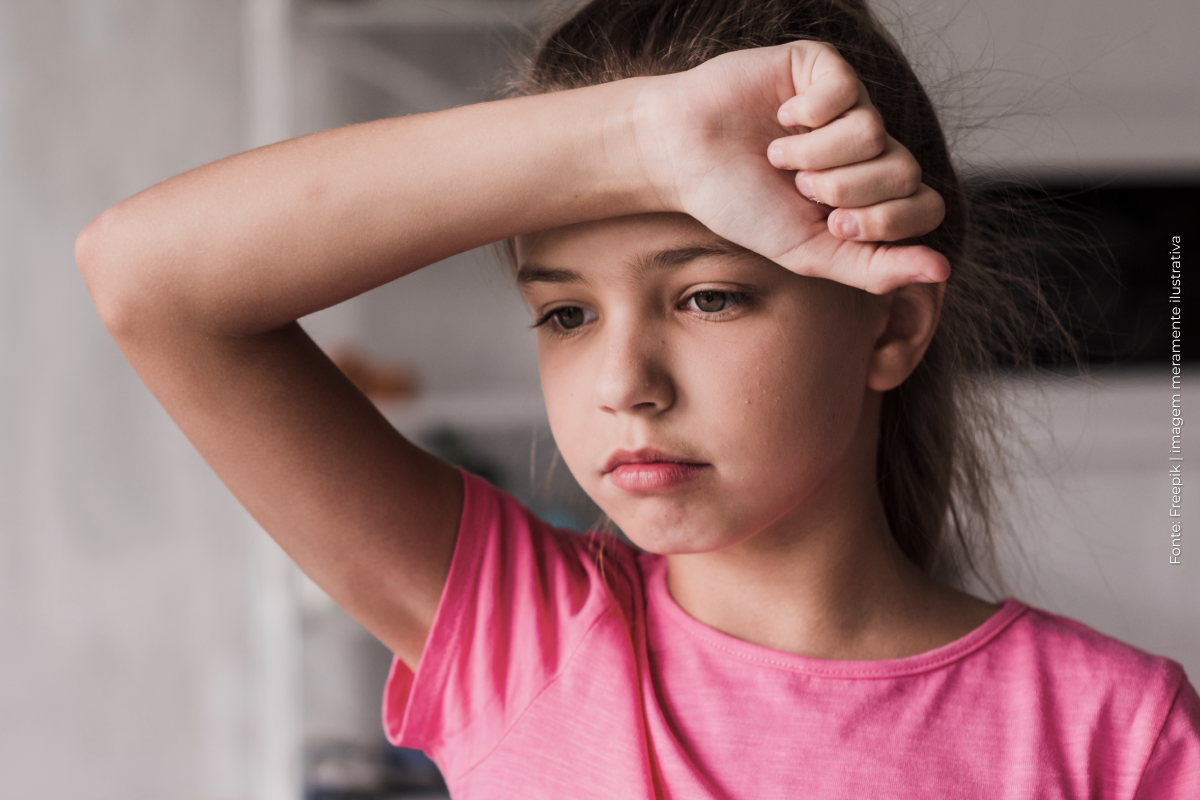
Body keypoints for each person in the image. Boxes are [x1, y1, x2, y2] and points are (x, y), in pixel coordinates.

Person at [75, 0, 1198, 796]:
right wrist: (644, 142)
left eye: (707, 297)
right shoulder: (522, 632)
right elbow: (147, 278)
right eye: (565, 313)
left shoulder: (1113, 731)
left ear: (890, 326)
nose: (624, 384)